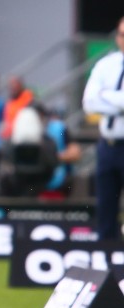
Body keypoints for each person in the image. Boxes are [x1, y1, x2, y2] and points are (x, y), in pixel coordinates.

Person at [82, 16, 124, 241]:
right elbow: (89, 103)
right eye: (121, 34)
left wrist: (106, 97)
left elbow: (100, 99)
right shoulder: (106, 64)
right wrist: (119, 103)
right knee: (105, 208)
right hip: (107, 146)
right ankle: (106, 261)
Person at [0, 106, 59, 197]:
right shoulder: (48, 143)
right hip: (18, 189)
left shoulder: (48, 143)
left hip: (41, 187)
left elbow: (53, 165)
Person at [0, 75, 34, 142]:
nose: (12, 87)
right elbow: (7, 122)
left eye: (14, 84)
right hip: (11, 138)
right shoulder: (9, 103)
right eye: (10, 84)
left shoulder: (27, 96)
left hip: (24, 137)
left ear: (20, 85)